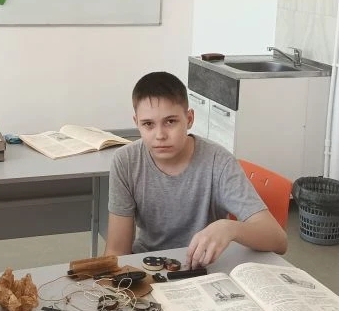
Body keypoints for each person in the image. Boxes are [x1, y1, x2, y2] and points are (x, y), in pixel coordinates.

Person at [105, 71, 288, 270]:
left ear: (189, 118)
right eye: (148, 124)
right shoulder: (125, 161)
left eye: (170, 121)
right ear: (136, 123)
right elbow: (117, 250)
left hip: (206, 267)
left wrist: (230, 228)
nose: (160, 135)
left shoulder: (218, 161)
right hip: (149, 266)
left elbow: (279, 240)